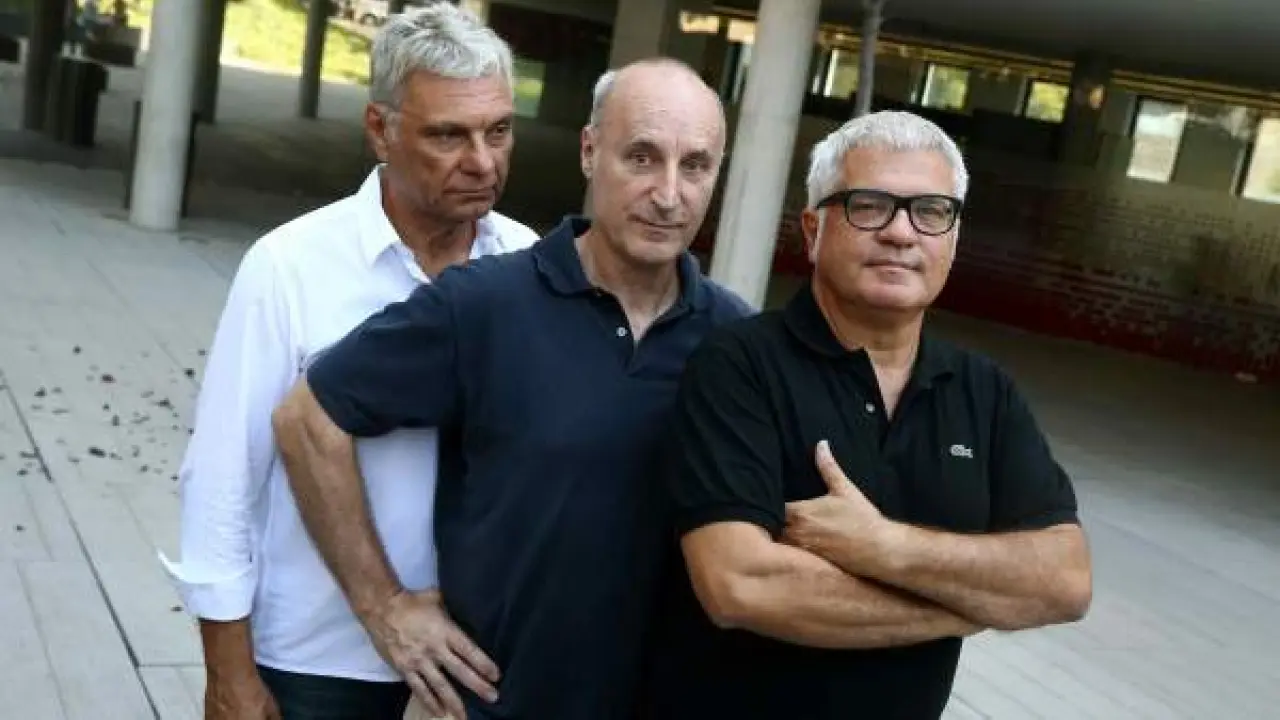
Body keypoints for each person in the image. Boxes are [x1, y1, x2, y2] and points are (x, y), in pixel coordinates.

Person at [269, 57, 752, 720]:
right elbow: (306, 419)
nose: (669, 195)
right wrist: (384, 606)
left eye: (695, 166)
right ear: (590, 151)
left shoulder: (735, 340)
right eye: (641, 158)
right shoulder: (486, 304)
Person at [157, 6, 538, 718]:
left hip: (477, 664)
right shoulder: (290, 265)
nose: (483, 162)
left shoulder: (530, 263)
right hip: (315, 664)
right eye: (447, 134)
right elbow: (222, 477)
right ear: (379, 129)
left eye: (498, 130)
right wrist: (228, 674)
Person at [650, 110, 1094, 719]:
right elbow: (740, 586)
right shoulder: (739, 365)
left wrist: (882, 546)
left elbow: (1065, 581)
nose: (901, 233)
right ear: (813, 231)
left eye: (931, 211)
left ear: (953, 239)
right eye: (870, 206)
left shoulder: (983, 392)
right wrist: (968, 604)